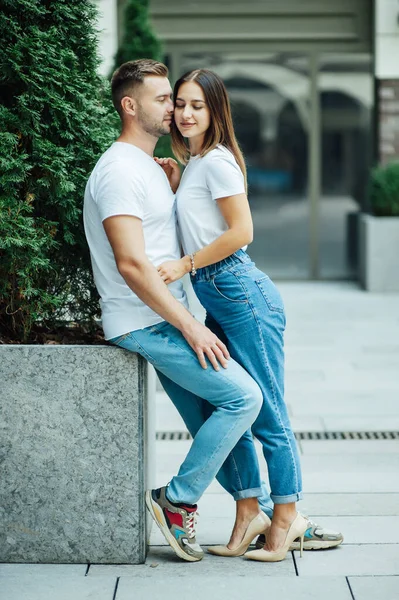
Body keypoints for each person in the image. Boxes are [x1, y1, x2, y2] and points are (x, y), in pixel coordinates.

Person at [82, 59, 271, 563]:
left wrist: (173, 180)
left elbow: (162, 231)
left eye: (176, 98)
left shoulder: (147, 164)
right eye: (163, 99)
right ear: (130, 105)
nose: (175, 108)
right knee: (244, 399)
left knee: (217, 414)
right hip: (148, 322)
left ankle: (262, 512)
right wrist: (190, 326)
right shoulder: (119, 170)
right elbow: (131, 264)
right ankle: (177, 500)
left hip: (166, 315)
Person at [155, 68, 343, 562]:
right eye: (181, 103)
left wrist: (186, 264)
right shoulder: (196, 161)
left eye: (198, 104)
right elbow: (202, 223)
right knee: (229, 403)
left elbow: (241, 232)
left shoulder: (217, 162)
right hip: (221, 294)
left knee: (269, 413)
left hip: (239, 291)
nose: (187, 112)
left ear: (217, 110)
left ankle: (286, 518)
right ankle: (248, 511)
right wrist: (176, 182)